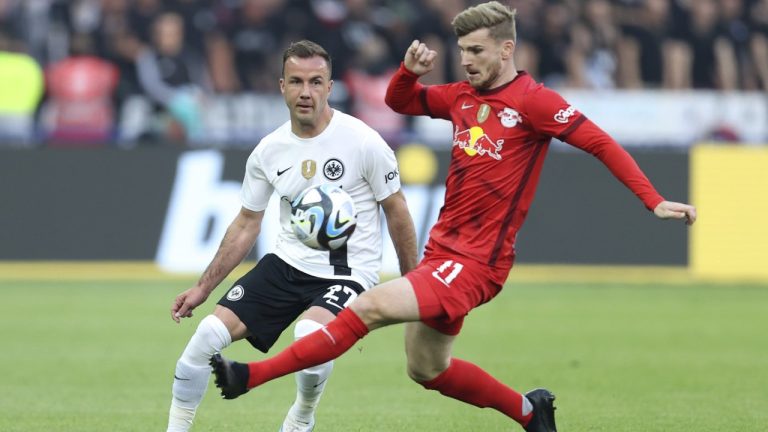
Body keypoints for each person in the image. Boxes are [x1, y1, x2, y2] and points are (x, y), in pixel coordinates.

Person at [210, 3, 697, 432]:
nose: (466, 60)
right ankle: (530, 413)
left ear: (506, 50)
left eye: (477, 51)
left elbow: (599, 142)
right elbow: (401, 101)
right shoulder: (463, 98)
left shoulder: (534, 102)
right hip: (444, 252)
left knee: (367, 308)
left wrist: (651, 199)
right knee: (427, 369)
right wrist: (408, 72)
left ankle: (250, 377)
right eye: (462, 49)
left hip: (479, 262)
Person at [167, 40, 417, 432]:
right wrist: (202, 288)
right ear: (281, 86)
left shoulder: (363, 141)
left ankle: (302, 414)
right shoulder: (269, 151)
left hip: (348, 273)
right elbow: (247, 222)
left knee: (309, 334)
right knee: (203, 340)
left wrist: (413, 283)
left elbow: (397, 210)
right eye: (296, 81)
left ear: (330, 87)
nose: (306, 92)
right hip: (287, 265)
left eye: (316, 82)